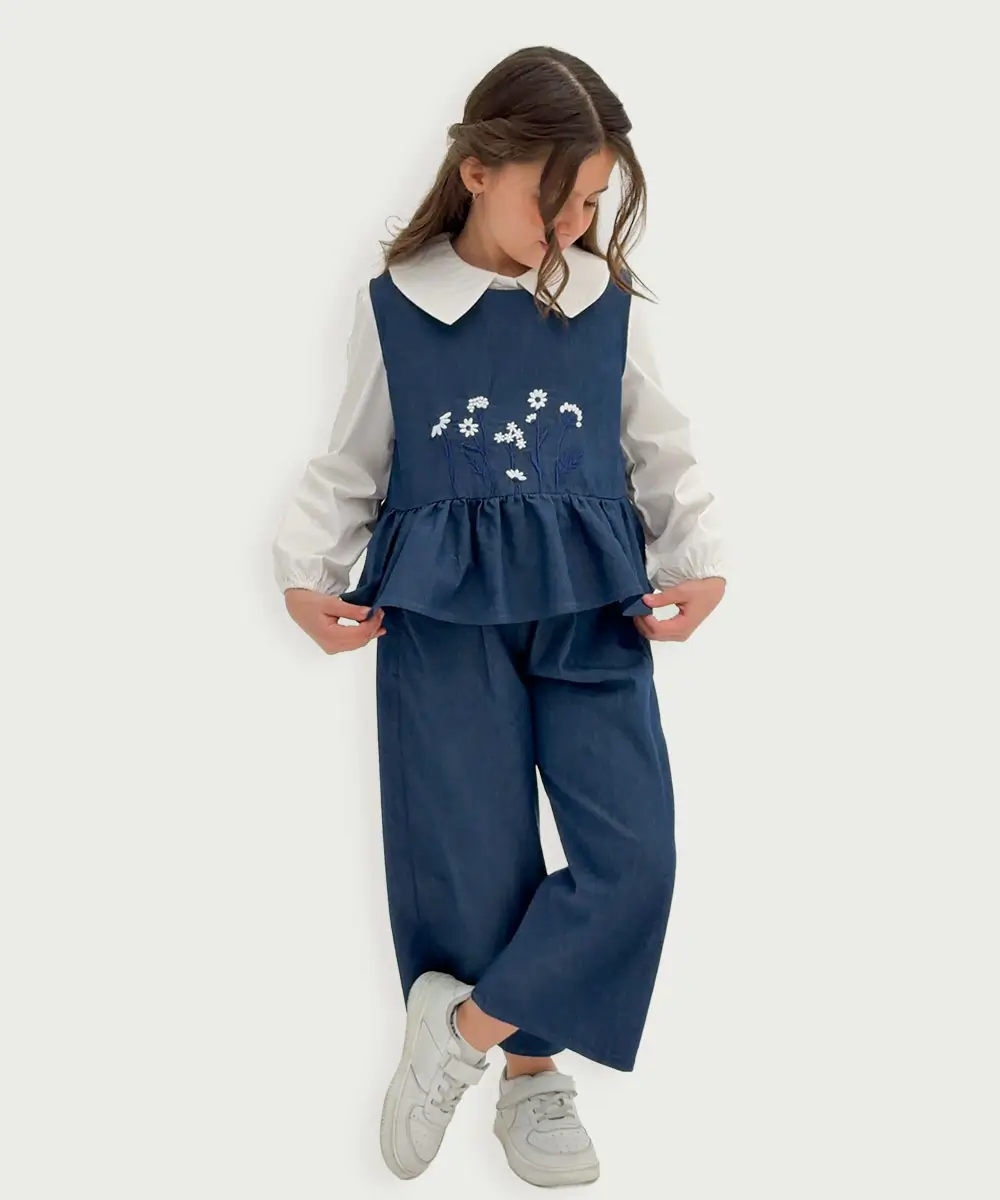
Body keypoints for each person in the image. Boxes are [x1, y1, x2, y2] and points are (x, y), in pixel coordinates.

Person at [271, 45, 727, 1189]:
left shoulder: (601, 301)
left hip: (591, 604)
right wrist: (305, 571)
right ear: (477, 170)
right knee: (471, 863)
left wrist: (699, 558)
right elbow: (352, 457)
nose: (572, 226)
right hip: (442, 613)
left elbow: (659, 443)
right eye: (555, 198)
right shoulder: (397, 305)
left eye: (591, 204)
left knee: (636, 861)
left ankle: (461, 1034)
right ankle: (533, 1079)